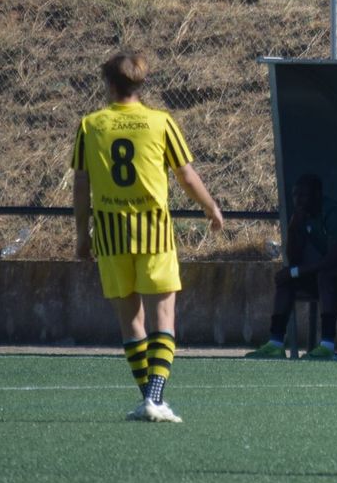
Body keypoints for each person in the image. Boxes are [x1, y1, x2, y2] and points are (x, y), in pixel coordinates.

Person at [73, 52, 224, 423]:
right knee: (164, 317)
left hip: (110, 235)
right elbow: (186, 176)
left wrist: (81, 235)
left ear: (109, 83)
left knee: (131, 321)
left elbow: (81, 184)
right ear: (141, 84)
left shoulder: (90, 125)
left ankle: (148, 399)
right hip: (153, 232)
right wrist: (211, 207)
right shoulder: (161, 122)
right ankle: (155, 398)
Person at [245, 174, 337, 360]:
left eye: (303, 196)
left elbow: (333, 259)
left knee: (324, 276)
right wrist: (293, 228)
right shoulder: (303, 216)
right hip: (332, 275)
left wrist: (294, 272)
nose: (298, 201)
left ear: (317, 195)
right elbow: (294, 259)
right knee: (287, 281)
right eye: (295, 196)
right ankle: (275, 343)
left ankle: (327, 346)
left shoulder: (335, 213)